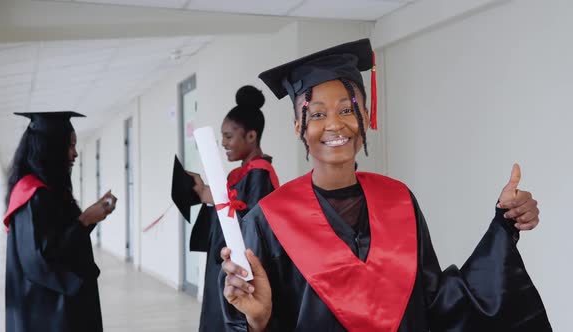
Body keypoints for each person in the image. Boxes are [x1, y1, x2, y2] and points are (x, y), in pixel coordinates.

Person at [219, 39, 551, 331]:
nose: (335, 123)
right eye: (317, 114)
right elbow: (253, 316)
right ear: (298, 127)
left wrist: (505, 223)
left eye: (347, 109)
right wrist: (257, 323)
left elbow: (437, 302)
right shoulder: (269, 219)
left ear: (366, 114)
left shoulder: (399, 200)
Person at [4, 111, 118, 332]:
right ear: (50, 148)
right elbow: (40, 258)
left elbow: (61, 238)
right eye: (69, 145)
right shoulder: (32, 194)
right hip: (48, 312)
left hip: (61, 306)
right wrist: (85, 219)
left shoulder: (49, 191)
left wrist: (91, 216)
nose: (75, 153)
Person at [188, 86, 280, 332]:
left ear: (251, 136)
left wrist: (209, 195)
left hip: (243, 269)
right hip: (225, 264)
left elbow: (250, 220)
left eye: (229, 136)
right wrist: (205, 192)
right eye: (222, 136)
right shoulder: (243, 173)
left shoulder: (260, 172)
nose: (223, 143)